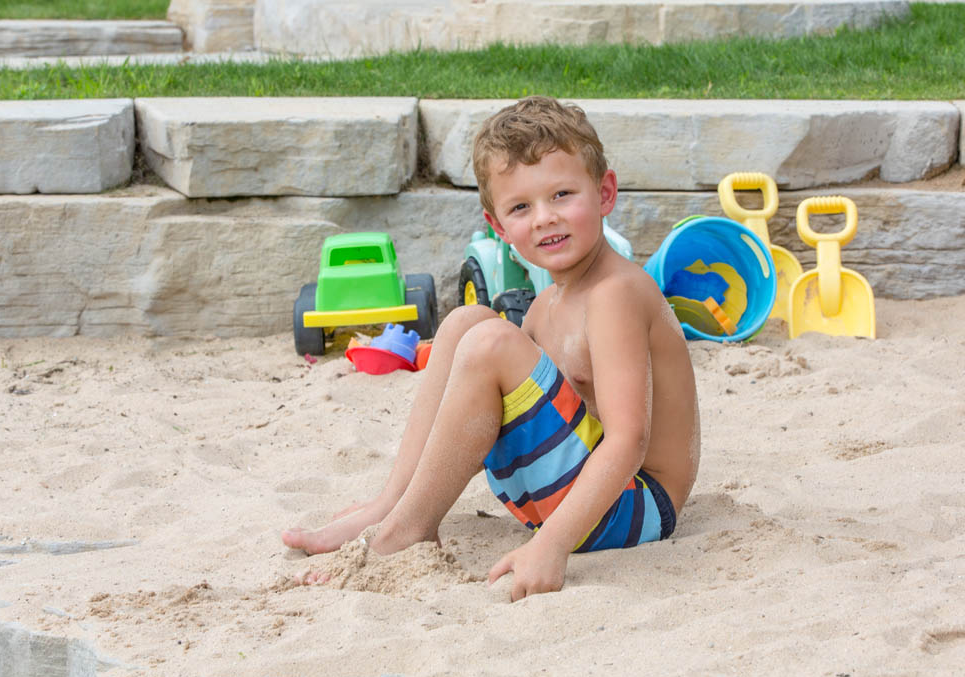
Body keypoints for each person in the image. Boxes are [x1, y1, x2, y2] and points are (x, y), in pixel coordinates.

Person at [282, 96, 700, 601]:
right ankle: (394, 504)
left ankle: (405, 527)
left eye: (562, 194)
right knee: (465, 322)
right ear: (498, 226)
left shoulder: (616, 293)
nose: (545, 218)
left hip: (636, 507)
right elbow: (497, 410)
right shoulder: (547, 305)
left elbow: (629, 441)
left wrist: (551, 546)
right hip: (571, 494)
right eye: (521, 207)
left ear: (605, 192)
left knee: (490, 341)